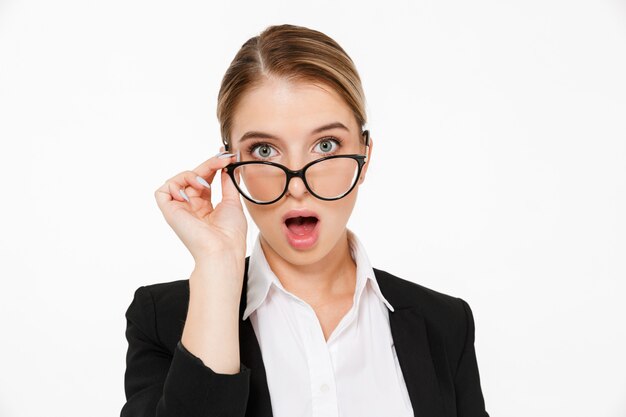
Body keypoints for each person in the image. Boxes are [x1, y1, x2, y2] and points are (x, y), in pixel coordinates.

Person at [121, 24, 489, 417]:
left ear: (366, 155)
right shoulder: (164, 318)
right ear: (231, 167)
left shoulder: (445, 324)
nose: (298, 183)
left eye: (326, 146)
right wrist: (216, 264)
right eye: (265, 150)